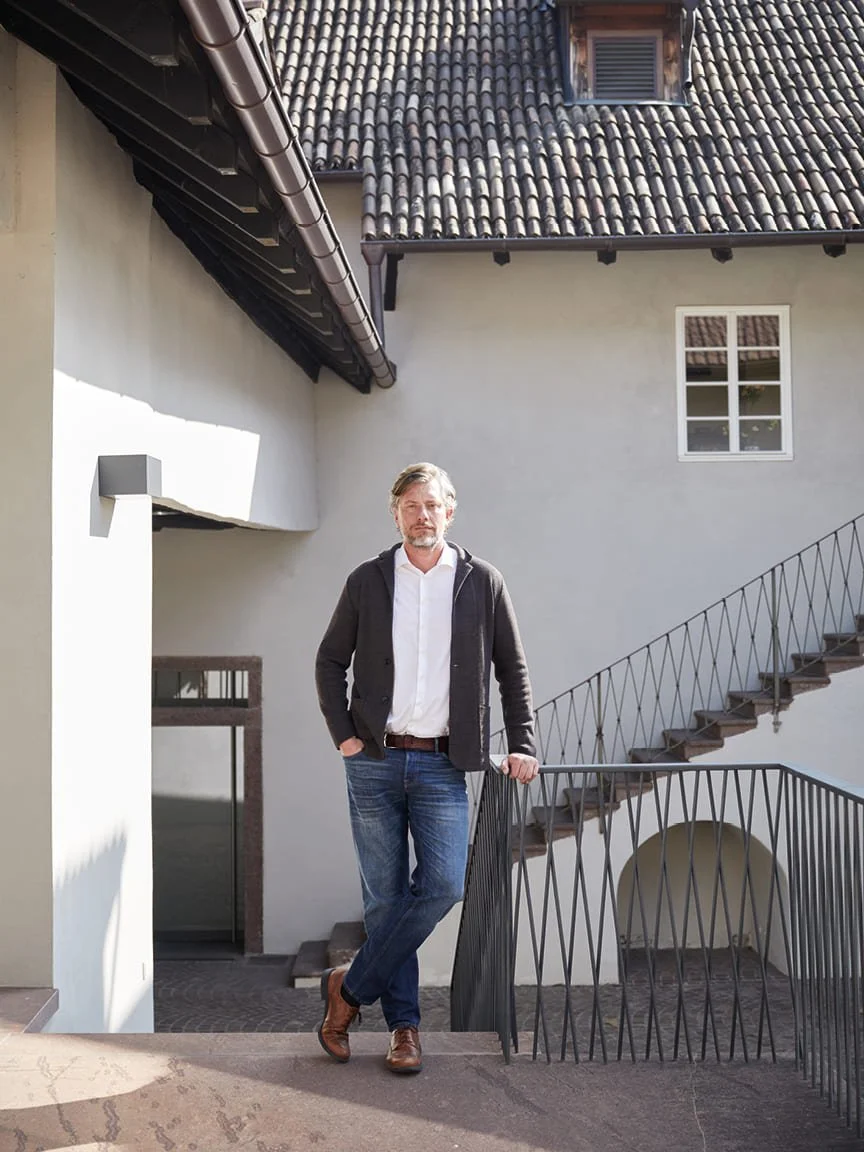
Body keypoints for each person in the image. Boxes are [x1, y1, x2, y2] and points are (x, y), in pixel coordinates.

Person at [314, 462, 538, 1074]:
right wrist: (345, 739)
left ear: (450, 511)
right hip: (375, 759)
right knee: (385, 900)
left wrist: (523, 741)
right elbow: (330, 661)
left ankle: (348, 988)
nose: (422, 515)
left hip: (444, 762)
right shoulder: (368, 580)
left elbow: (511, 670)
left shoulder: (480, 581)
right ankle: (404, 1030)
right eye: (410, 505)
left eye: (432, 505)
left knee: (443, 886)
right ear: (395, 514)